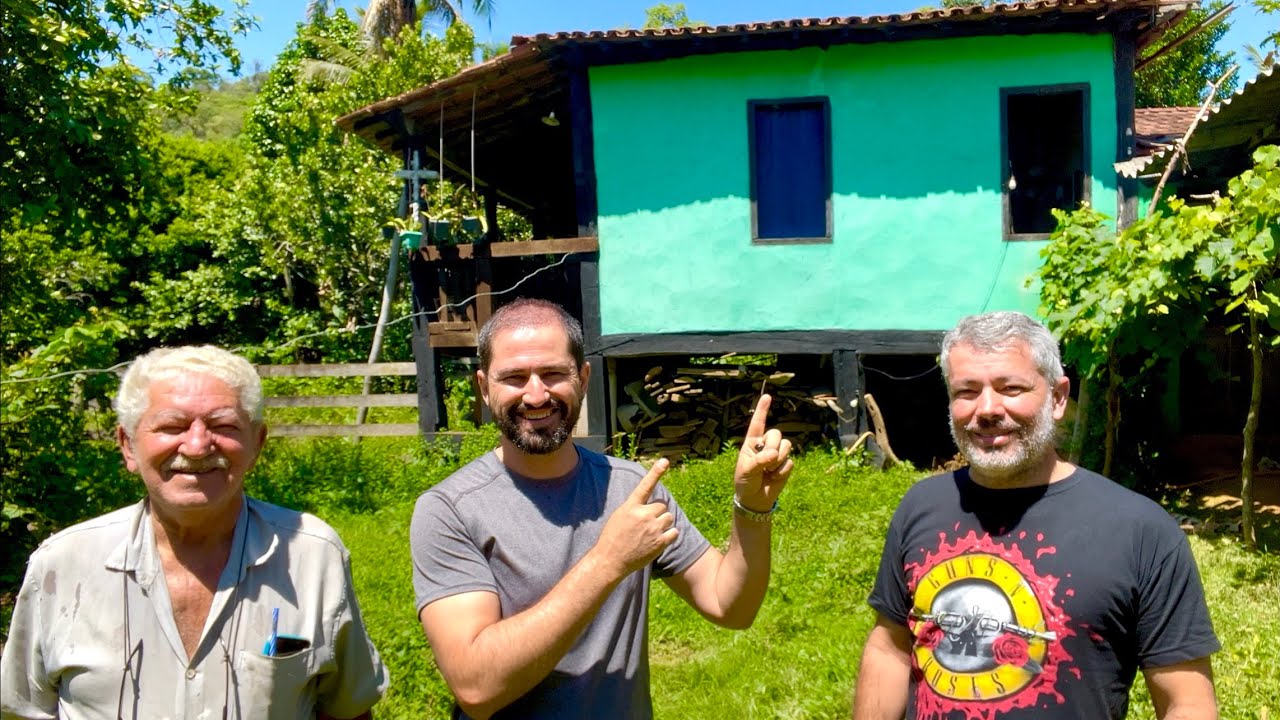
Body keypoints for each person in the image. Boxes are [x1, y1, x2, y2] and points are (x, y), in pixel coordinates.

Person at [409, 298, 794, 719]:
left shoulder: (631, 489)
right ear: (484, 388)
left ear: (584, 378)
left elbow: (730, 607)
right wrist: (608, 561)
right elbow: (476, 687)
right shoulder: (449, 510)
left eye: (554, 374)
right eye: (514, 378)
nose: (536, 395)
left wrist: (751, 508)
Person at [852, 311, 1219, 720]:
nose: (987, 409)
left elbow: (1187, 703)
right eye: (967, 391)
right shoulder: (921, 506)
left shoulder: (1141, 531)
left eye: (1011, 388)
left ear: (1058, 398)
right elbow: (889, 649)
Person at [1, 346, 388, 719]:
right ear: (128, 446)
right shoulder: (63, 564)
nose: (199, 444)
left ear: (257, 443)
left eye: (223, 425)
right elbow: (24, 710)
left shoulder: (312, 554)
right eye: (172, 426)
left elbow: (346, 710)